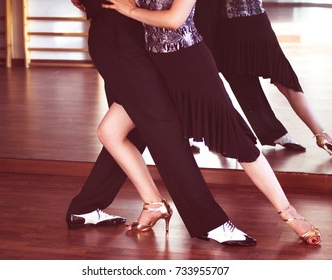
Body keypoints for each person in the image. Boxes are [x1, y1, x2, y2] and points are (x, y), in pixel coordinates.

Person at [102, 0, 322, 245]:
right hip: (151, 70)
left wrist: (130, 11)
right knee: (110, 132)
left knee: (239, 143)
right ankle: (154, 204)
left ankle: (289, 213)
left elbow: (174, 19)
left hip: (190, 65)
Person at [67, 0, 257, 246]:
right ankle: (209, 223)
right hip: (120, 43)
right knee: (163, 128)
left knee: (129, 130)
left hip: (126, 38)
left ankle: (87, 207)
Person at [194, 0, 332, 155]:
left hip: (228, 27)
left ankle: (225, 136)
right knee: (284, 78)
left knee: (237, 81)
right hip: (254, 23)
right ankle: (321, 135)